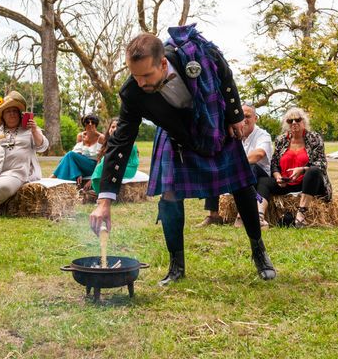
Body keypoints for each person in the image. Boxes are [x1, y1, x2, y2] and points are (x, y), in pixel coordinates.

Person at [89, 26, 276, 284]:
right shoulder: (132, 92)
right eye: (135, 76)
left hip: (214, 124)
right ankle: (176, 267)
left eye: (146, 75)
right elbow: (120, 143)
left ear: (163, 63)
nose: (140, 83)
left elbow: (225, 76)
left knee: (242, 185)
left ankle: (259, 251)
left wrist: (234, 117)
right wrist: (104, 201)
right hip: (176, 135)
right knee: (169, 196)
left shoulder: (197, 55)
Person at [196, 103, 272, 227]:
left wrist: (232, 166)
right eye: (242, 116)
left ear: (255, 118)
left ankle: (242, 215)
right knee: (215, 169)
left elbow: (258, 154)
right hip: (237, 171)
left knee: (248, 167)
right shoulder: (234, 133)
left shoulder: (263, 135)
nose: (244, 120)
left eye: (248, 116)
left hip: (260, 175)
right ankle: (214, 215)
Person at [256, 107, 332, 228]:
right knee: (263, 181)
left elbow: (322, 163)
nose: (294, 123)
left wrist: (302, 169)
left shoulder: (314, 138)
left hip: (308, 183)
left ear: (304, 122)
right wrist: (278, 177)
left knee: (313, 171)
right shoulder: (281, 140)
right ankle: (259, 217)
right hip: (287, 183)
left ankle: (301, 215)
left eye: (297, 120)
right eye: (290, 121)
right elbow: (274, 163)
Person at [84, 117, 140, 195]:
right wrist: (91, 179)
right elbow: (100, 161)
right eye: (112, 127)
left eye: (117, 127)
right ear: (109, 129)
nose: (114, 129)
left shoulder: (126, 141)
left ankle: (102, 193)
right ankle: (99, 189)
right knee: (104, 161)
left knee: (106, 161)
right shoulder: (109, 141)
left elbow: (118, 159)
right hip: (114, 165)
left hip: (128, 167)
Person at [52, 113, 105, 184]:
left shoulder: (101, 137)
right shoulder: (80, 136)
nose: (90, 124)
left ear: (96, 124)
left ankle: (54, 176)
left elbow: (101, 160)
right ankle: (65, 183)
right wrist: (77, 171)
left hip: (93, 166)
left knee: (69, 155)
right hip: (81, 166)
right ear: (84, 124)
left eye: (93, 122)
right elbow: (77, 154)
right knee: (67, 158)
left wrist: (92, 178)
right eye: (87, 122)